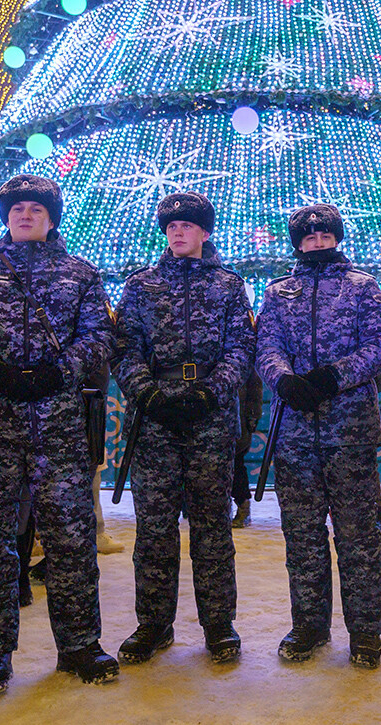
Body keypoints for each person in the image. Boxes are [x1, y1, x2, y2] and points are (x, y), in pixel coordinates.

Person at [0, 174, 118, 696]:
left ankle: (79, 644)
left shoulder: (79, 273)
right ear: (6, 217)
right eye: (16, 209)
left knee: (71, 541)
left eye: (36, 208)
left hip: (59, 426)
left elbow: (101, 337)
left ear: (52, 218)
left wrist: (62, 371)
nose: (25, 215)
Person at [112, 192, 256, 665]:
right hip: (153, 417)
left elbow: (242, 348)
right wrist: (147, 393)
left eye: (188, 225)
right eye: (171, 226)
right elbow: (123, 347)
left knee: (212, 525)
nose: (178, 232)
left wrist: (211, 394)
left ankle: (219, 624)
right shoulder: (140, 285)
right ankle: (153, 624)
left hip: (210, 418)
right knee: (154, 526)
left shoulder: (228, 285)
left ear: (205, 232)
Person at [256, 203, 381, 667]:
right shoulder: (278, 292)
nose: (317, 241)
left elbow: (378, 346)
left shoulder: (362, 287)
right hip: (294, 432)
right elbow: (266, 346)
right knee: (302, 535)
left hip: (349, 428)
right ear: (297, 242)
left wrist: (334, 376)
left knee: (358, 536)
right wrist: (284, 380)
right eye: (308, 236)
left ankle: (366, 631)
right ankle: (309, 625)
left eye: (324, 235)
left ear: (337, 237)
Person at [231, 370, 263, 529]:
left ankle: (243, 508)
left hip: (239, 422)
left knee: (236, 467)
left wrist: (252, 418)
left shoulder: (243, 357)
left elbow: (255, 390)